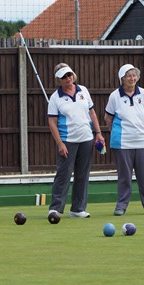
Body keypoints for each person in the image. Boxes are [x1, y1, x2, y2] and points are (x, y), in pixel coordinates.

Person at [47, 63, 105, 218]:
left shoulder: (83, 91)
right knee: (64, 174)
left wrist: (98, 133)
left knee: (82, 175)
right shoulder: (55, 98)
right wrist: (60, 143)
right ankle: (56, 208)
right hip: (67, 140)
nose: (68, 79)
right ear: (58, 80)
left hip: (86, 138)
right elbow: (52, 122)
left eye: (69, 75)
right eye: (64, 77)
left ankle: (78, 209)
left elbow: (92, 113)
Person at [104, 64, 144, 216]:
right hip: (122, 143)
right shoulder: (114, 96)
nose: (132, 78)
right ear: (122, 79)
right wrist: (117, 133)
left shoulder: (142, 93)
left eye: (134, 75)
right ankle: (121, 206)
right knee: (124, 177)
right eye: (128, 75)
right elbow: (108, 118)